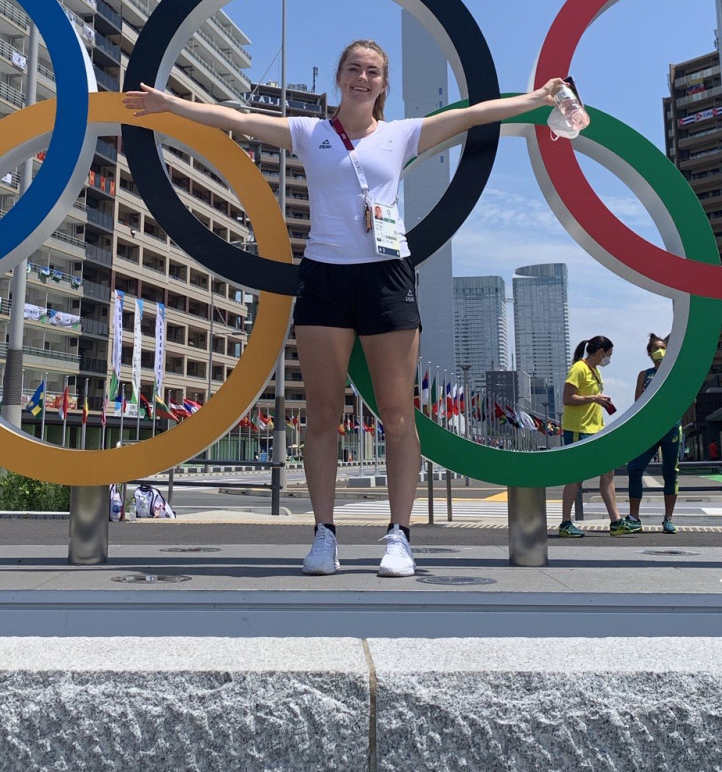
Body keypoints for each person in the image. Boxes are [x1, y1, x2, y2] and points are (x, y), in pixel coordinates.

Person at [125, 40, 562, 576]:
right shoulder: (309, 134)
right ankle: (324, 535)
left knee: (399, 414)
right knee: (324, 416)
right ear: (340, 77)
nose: (362, 77)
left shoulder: (401, 135)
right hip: (325, 278)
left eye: (372, 71)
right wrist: (172, 105)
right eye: (354, 68)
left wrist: (537, 98)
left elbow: (474, 114)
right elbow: (234, 118)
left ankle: (399, 536)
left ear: (383, 84)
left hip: (387, 277)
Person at [558, 335, 632, 537]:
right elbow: (567, 398)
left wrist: (600, 401)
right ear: (600, 352)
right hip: (578, 429)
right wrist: (593, 398)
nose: (609, 359)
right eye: (609, 355)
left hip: (596, 429)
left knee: (608, 473)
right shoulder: (578, 368)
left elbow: (588, 398)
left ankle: (616, 521)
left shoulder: (594, 371)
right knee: (576, 476)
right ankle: (565, 522)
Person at [621, 333, 680, 534]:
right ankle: (634, 517)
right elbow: (638, 401)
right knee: (635, 468)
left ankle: (668, 518)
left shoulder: (674, 371)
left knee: (670, 472)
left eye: (663, 347)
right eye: (656, 348)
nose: (660, 351)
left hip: (670, 426)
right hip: (647, 428)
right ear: (649, 353)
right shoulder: (644, 375)